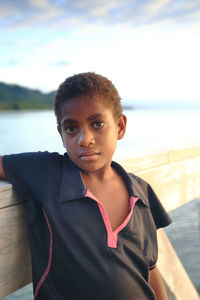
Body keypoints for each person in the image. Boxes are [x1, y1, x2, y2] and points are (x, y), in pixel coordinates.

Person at [0, 72, 171, 300]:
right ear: (61, 133)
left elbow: (150, 268)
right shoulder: (47, 173)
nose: (84, 139)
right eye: (71, 129)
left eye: (97, 124)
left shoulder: (141, 192)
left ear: (119, 126)